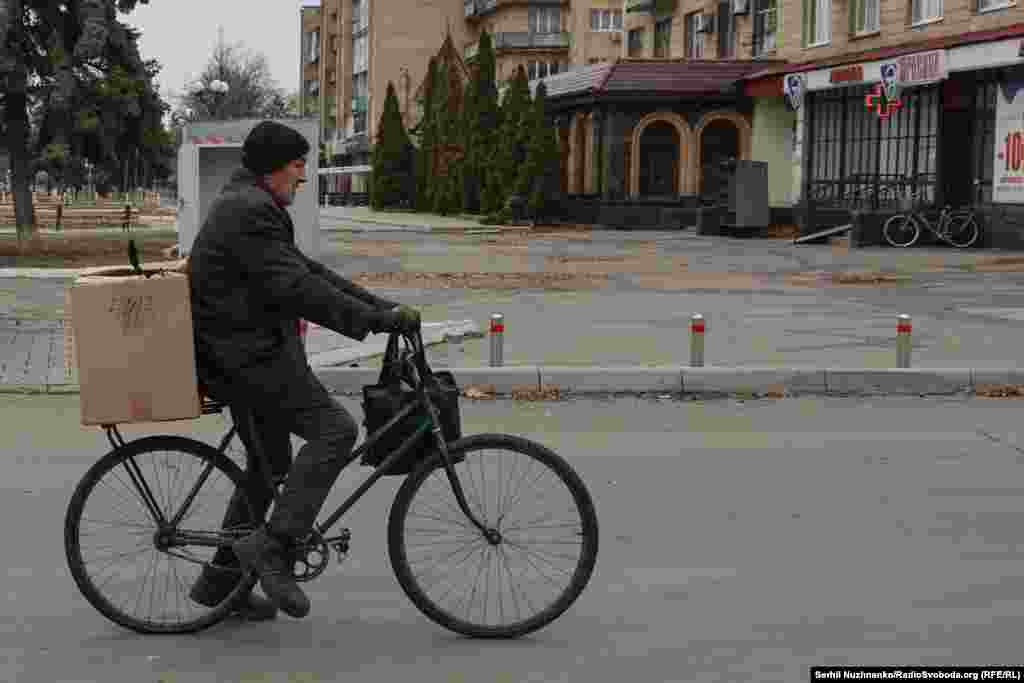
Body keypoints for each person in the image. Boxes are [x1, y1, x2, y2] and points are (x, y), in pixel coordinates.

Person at [186, 120, 420, 620]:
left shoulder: (252, 205)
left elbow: (309, 273)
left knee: (268, 465)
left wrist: (381, 308)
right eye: (297, 166)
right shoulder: (250, 212)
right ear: (273, 168)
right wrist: (374, 319)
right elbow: (298, 291)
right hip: (246, 359)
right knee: (336, 430)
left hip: (245, 353)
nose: (302, 176)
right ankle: (274, 548)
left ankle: (218, 585)